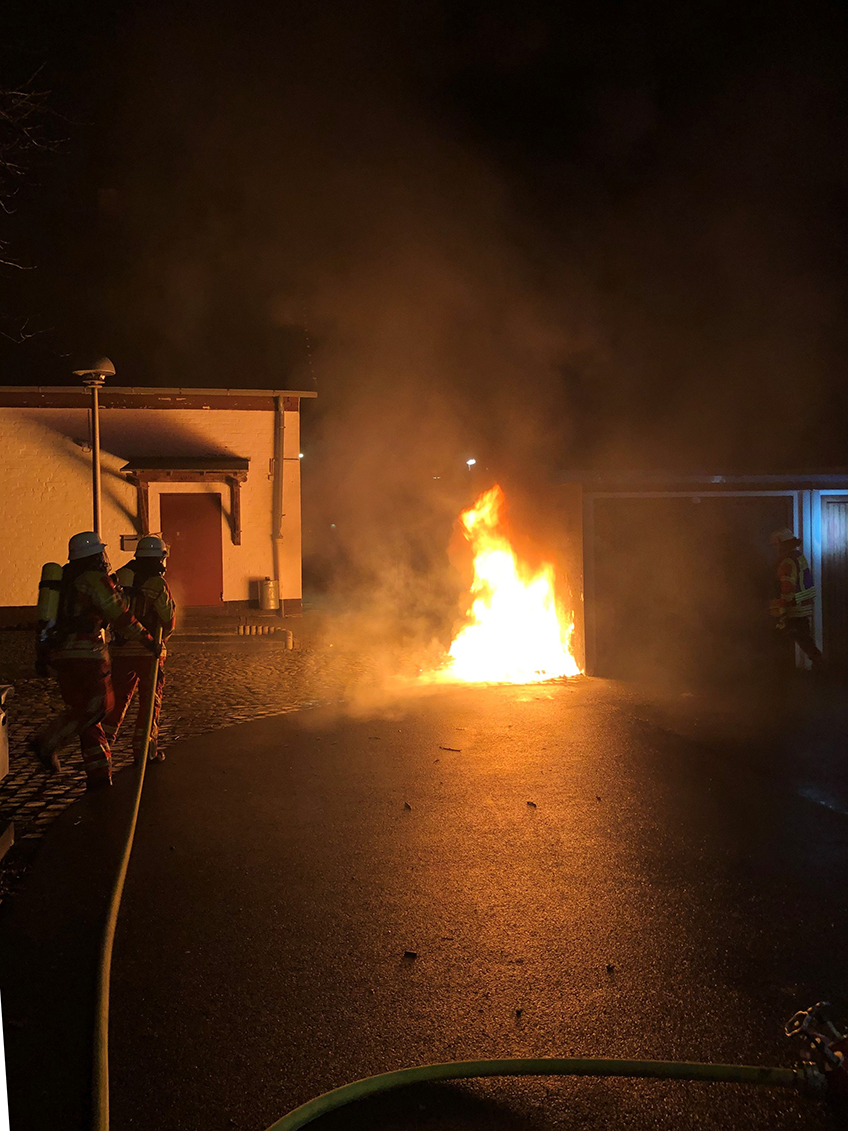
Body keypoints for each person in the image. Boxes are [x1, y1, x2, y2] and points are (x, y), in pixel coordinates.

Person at [31, 532, 158, 789]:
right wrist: (148, 640)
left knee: (89, 714)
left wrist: (43, 654)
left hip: (61, 655)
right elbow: (120, 615)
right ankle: (47, 741)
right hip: (87, 655)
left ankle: (99, 774)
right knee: (100, 706)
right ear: (94, 555)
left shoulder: (65, 579)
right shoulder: (94, 580)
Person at [103, 535, 176, 763]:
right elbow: (168, 619)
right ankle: (145, 751)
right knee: (149, 702)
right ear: (160, 558)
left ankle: (103, 744)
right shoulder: (157, 583)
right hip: (148, 651)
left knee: (116, 700)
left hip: (119, 650)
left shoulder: (120, 575)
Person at [769, 527, 824, 670]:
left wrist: (780, 609)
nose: (775, 548)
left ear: (782, 543)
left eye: (776, 545)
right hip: (803, 606)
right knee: (804, 639)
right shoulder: (798, 556)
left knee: (781, 636)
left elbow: (787, 589)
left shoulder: (786, 562)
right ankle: (820, 665)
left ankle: (779, 672)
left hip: (794, 608)